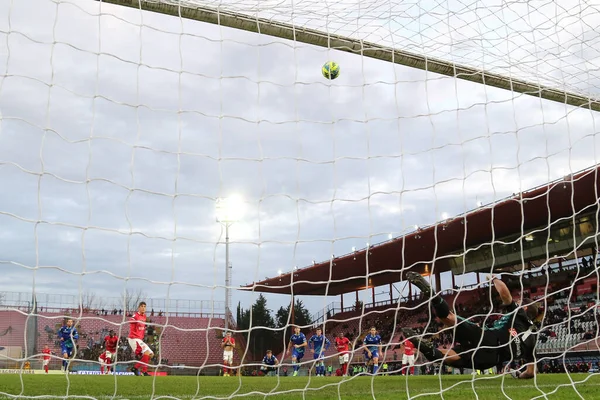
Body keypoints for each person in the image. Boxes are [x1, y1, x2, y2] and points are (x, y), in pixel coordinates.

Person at [403, 272, 539, 379]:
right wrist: (520, 376)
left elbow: (505, 295)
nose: (517, 301)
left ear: (525, 308)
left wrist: (494, 279)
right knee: (450, 358)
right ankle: (423, 347)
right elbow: (531, 373)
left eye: (519, 301)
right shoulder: (533, 339)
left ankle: (433, 296)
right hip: (490, 359)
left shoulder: (520, 313)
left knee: (449, 318)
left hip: (486, 338)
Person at [128, 301, 153, 376]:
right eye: (142, 306)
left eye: (144, 306)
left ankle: (139, 369)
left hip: (139, 339)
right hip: (134, 338)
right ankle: (140, 370)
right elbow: (131, 320)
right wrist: (134, 320)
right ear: (139, 307)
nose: (143, 308)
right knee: (147, 353)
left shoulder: (144, 316)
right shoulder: (135, 315)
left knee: (151, 354)